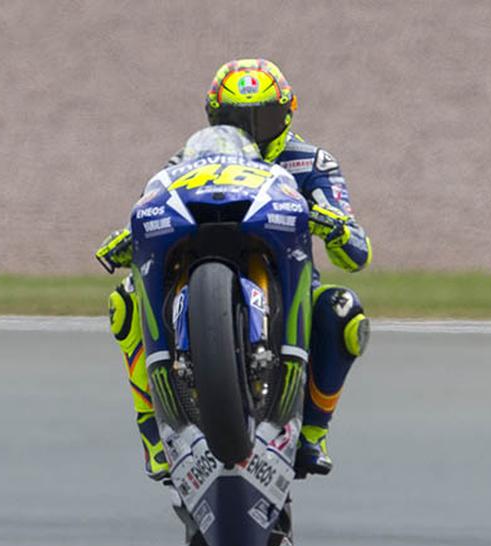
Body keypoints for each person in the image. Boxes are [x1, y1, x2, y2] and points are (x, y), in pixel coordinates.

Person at [95, 58, 372, 480]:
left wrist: (334, 227)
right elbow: (149, 211)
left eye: (264, 118)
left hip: (288, 284)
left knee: (342, 310)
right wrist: (129, 234)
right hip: (206, 269)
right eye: (235, 121)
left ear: (288, 113)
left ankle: (313, 432)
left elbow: (356, 254)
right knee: (125, 300)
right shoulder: (182, 163)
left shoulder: (313, 163)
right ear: (213, 119)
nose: (252, 133)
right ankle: (152, 433)